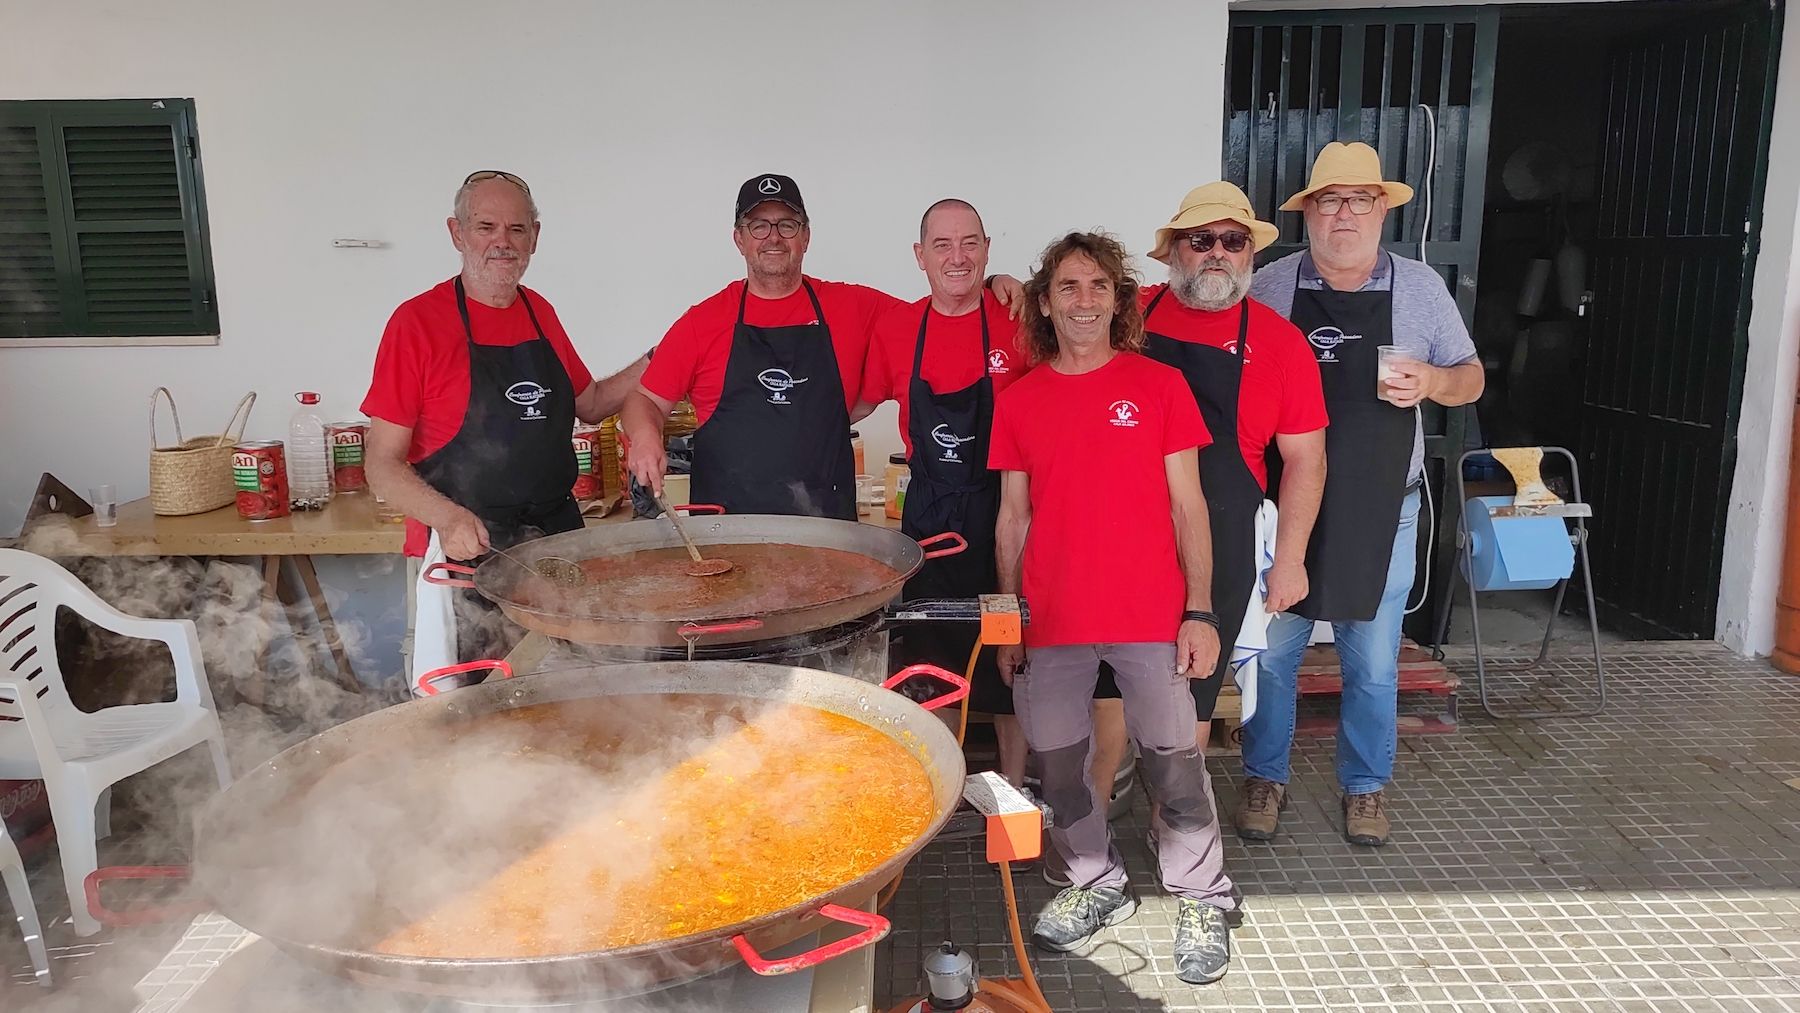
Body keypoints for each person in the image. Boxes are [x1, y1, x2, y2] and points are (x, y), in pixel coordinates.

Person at [992, 231, 1235, 984]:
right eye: (1068, 286)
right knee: (1060, 767)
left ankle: (1201, 894)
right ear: (1046, 302)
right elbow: (1012, 519)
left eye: (1098, 286)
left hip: (1149, 614)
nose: (1084, 300)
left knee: (1173, 764)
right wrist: (1010, 620)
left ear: (1119, 300)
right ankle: (1094, 879)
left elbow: (1190, 506)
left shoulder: (1158, 386)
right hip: (1053, 618)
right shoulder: (1021, 399)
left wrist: (1201, 609)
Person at [1237, 142, 1485, 847]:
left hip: (1384, 506)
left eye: (1360, 200)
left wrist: (1435, 384)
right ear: (1308, 214)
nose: (1344, 214)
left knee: (1372, 660)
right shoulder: (1271, 287)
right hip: (1288, 506)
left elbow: (1470, 375)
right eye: (1328, 201)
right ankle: (1264, 772)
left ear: (1381, 212)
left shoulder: (1420, 290)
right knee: (1274, 651)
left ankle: (1366, 786)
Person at [363, 170, 647, 677]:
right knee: (483, 703)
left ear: (535, 237)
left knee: (577, 679)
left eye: (516, 229)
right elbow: (381, 465)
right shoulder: (417, 323)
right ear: (457, 233)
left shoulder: (540, 312)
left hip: (558, 541)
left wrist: (664, 357)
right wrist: (447, 518)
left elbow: (593, 403)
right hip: (469, 548)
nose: (502, 241)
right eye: (486, 226)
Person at [621, 174, 1020, 516]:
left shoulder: (855, 307)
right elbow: (645, 401)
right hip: (728, 535)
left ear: (806, 236)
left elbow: (943, 307)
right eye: (759, 226)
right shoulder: (702, 321)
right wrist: (644, 437)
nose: (773, 237)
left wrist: (989, 283)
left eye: (788, 225)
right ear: (739, 239)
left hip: (830, 539)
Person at [1132, 181, 1328, 751]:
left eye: (1234, 241)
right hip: (1124, 523)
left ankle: (1177, 814)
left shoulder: (1282, 343)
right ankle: (1107, 803)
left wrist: (1289, 561)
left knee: (1194, 683)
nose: (1218, 251)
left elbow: (1306, 461)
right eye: (1201, 239)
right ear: (1173, 250)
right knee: (1110, 676)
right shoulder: (1126, 318)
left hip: (1221, 533)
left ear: (1250, 254)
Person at [855, 199, 1031, 785]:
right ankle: (943, 785)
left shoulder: (1020, 316)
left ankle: (1009, 791)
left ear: (986, 249)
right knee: (931, 659)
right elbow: (856, 405)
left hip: (1007, 515)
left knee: (1011, 657)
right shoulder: (898, 327)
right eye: (942, 245)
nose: (957, 258)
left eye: (970, 243)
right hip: (928, 519)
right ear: (919, 256)